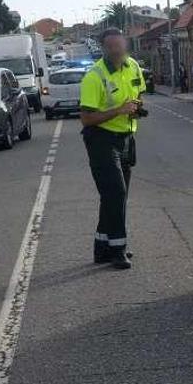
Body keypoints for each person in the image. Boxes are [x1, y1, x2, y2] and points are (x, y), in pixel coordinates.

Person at [79, 28, 146, 270]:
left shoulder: (133, 67)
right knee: (116, 193)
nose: (117, 50)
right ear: (104, 48)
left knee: (115, 195)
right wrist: (119, 110)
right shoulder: (94, 76)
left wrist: (137, 107)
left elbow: (139, 95)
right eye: (112, 47)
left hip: (126, 137)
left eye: (121, 46)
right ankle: (118, 249)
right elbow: (86, 118)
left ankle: (101, 248)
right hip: (101, 140)